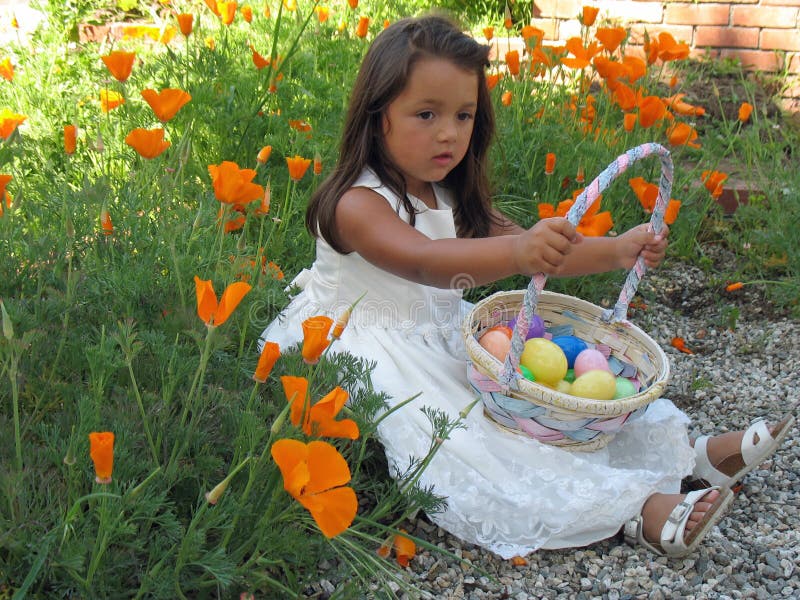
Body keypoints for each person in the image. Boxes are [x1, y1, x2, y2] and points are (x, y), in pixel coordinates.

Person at [260, 14, 794, 559]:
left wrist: (617, 249)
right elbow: (425, 261)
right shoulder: (357, 203)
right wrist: (517, 252)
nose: (449, 133)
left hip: (443, 338)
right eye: (426, 114)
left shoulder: (448, 195)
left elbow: (542, 253)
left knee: (548, 407)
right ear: (377, 119)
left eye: (463, 115)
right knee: (481, 443)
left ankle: (694, 455)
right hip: (368, 345)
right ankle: (636, 511)